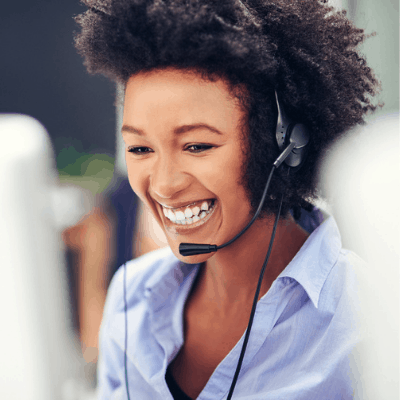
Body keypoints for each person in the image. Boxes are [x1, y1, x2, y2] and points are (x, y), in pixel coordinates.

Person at [74, 0, 380, 398]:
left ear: (282, 144)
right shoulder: (132, 296)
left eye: (197, 145)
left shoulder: (370, 314)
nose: (164, 185)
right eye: (140, 149)